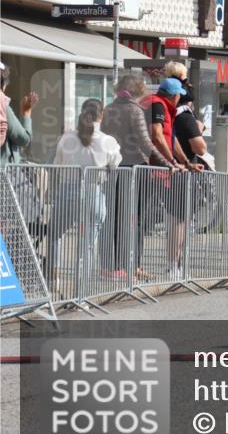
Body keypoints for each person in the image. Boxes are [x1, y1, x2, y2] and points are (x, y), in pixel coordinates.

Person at [102, 74, 172, 279]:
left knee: (113, 218)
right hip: (135, 170)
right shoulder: (135, 111)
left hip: (114, 168)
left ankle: (112, 266)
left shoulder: (108, 110)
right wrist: (167, 163)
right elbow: (146, 144)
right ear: (137, 91)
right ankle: (133, 265)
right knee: (136, 220)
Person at [48, 100, 122, 281]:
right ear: (101, 114)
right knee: (88, 245)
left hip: (67, 192)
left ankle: (53, 278)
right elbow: (115, 164)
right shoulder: (108, 141)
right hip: (94, 192)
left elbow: (57, 165)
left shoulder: (66, 138)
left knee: (54, 235)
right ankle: (82, 288)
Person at [145, 77, 197, 280]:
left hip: (162, 169)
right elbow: (157, 136)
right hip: (153, 169)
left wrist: (185, 161)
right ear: (174, 95)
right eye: (179, 96)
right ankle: (167, 266)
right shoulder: (158, 104)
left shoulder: (167, 109)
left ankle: (172, 265)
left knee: (176, 217)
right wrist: (172, 163)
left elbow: (170, 139)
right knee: (140, 219)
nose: (179, 100)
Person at [0, 62, 38, 167]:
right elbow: (24, 139)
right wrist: (26, 112)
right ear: (3, 84)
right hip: (4, 174)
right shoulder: (3, 107)